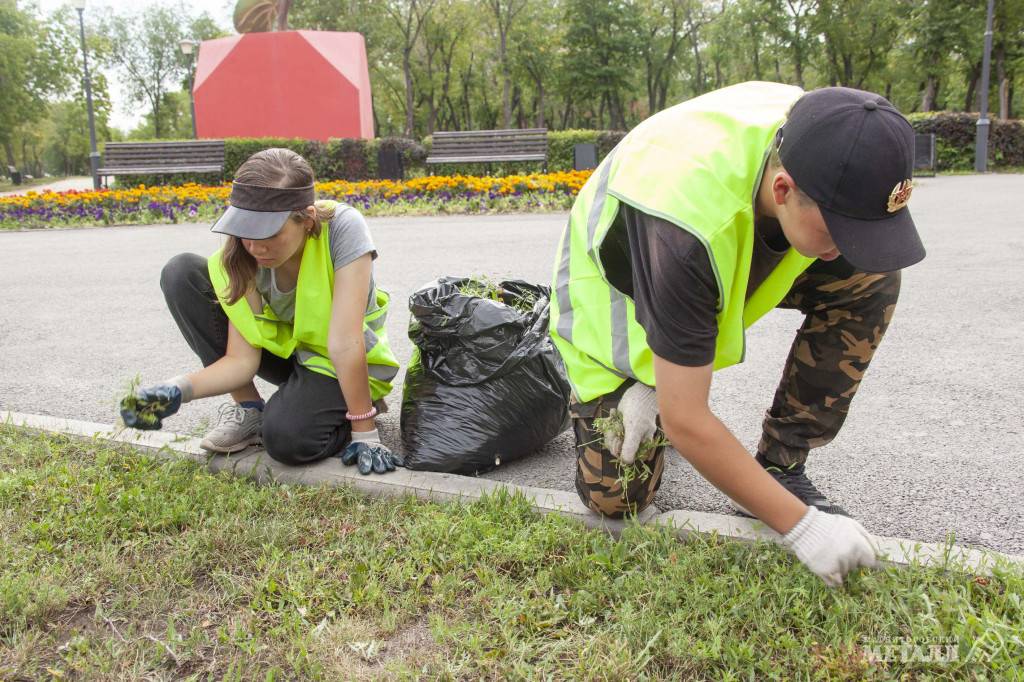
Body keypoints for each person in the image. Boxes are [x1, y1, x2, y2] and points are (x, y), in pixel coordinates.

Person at [550, 82, 925, 586]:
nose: (848, 245)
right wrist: (804, 529)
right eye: (839, 229)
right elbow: (688, 420)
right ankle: (625, 384)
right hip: (617, 298)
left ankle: (780, 465)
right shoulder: (686, 230)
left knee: (871, 277)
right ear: (784, 190)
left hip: (697, 267)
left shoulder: (828, 134)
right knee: (617, 499)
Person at [120, 148, 403, 474]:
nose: (255, 247)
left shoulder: (343, 229)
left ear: (307, 218)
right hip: (292, 356)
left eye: (269, 233)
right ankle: (250, 410)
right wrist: (176, 390)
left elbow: (345, 341)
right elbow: (241, 361)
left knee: (285, 441)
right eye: (247, 232)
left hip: (343, 362)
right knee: (181, 271)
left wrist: (364, 429)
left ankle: (351, 404)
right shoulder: (242, 254)